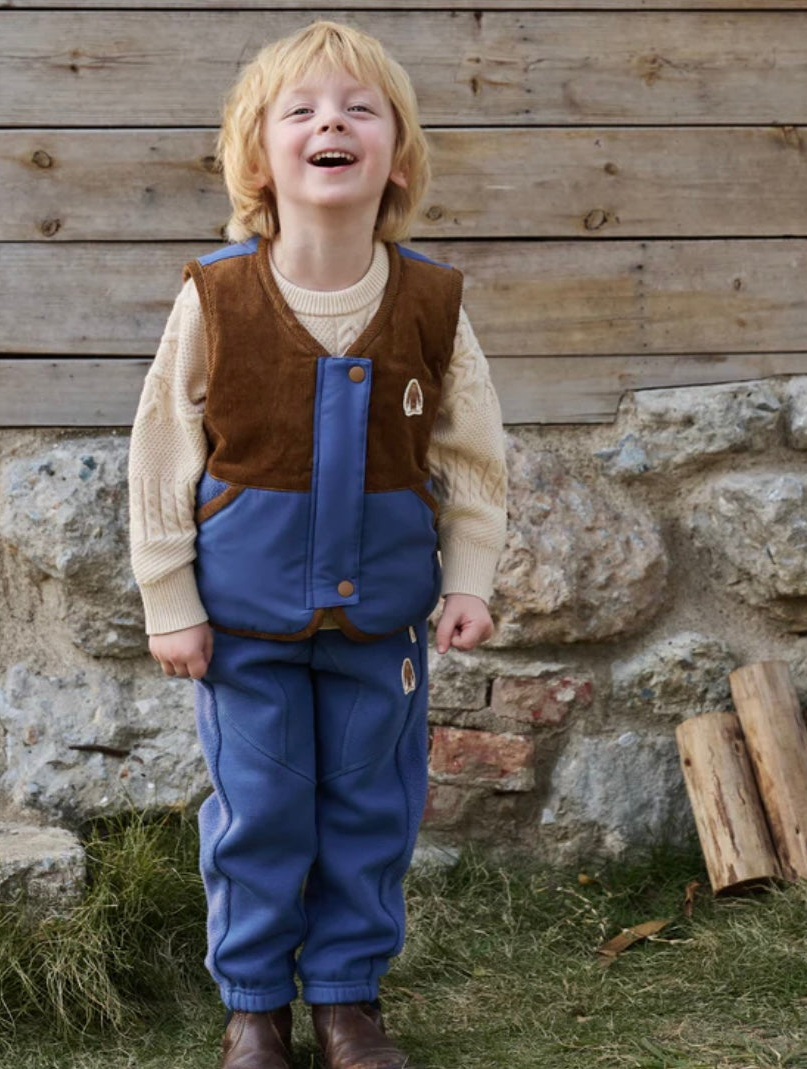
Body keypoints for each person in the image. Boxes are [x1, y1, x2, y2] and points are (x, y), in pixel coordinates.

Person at [128, 20, 508, 1069]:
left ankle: (346, 1000)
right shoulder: (216, 296)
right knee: (258, 808)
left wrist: (468, 577)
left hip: (379, 617)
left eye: (356, 110)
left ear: (394, 153)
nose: (328, 124)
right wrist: (171, 600)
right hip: (242, 618)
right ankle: (254, 1005)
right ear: (259, 154)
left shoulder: (430, 302)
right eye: (298, 111)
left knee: (368, 808)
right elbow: (160, 453)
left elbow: (472, 455)